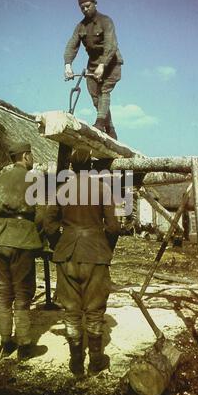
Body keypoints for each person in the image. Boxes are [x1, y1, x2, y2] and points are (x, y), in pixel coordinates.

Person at [44, 149, 121, 375]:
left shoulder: (61, 190)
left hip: (67, 254)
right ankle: (96, 360)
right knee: (95, 309)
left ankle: (76, 361)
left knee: (71, 310)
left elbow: (48, 224)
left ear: (71, 167)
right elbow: (114, 227)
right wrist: (106, 247)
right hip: (95, 252)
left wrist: (60, 243)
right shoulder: (103, 189)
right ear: (91, 166)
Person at [0, 142, 47, 361]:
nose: (32, 159)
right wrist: (33, 234)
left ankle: (5, 343)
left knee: (4, 294)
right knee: (22, 295)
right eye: (31, 155)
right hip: (23, 241)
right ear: (26, 156)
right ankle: (24, 346)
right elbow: (41, 215)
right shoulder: (34, 179)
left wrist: (1, 233)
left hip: (0, 240)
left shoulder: (0, 179)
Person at [64, 0, 123, 140]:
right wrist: (68, 65)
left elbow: (111, 44)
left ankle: (100, 123)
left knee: (104, 91)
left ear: (95, 4)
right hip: (93, 64)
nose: (85, 9)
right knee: (95, 97)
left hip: (111, 62)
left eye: (88, 6)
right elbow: (72, 45)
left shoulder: (106, 21)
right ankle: (110, 129)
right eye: (82, 7)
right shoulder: (80, 27)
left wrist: (103, 65)